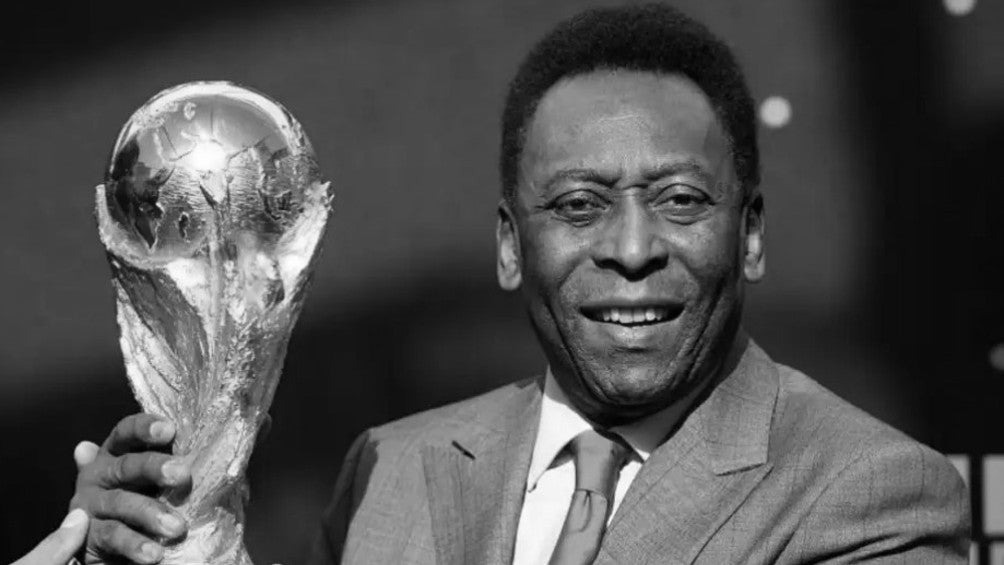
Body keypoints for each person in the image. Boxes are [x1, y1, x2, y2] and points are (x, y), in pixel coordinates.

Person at [67, 4, 970, 564]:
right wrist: (153, 543)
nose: (631, 248)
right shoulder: (390, 468)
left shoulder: (872, 492)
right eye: (578, 205)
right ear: (509, 247)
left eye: (680, 200)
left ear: (753, 236)